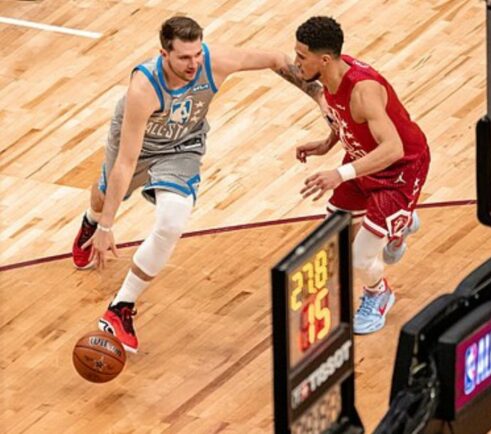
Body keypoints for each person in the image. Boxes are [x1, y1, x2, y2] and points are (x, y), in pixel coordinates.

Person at [71, 16, 323, 352]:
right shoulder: (143, 89)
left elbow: (277, 59)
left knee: (172, 221)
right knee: (105, 195)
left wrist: (318, 97)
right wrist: (105, 225)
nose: (193, 64)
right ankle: (89, 219)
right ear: (164, 54)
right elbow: (125, 163)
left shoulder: (214, 61)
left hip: (182, 147)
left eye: (196, 55)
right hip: (140, 145)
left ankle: (120, 307)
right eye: (184, 58)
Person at [293, 16, 430, 335]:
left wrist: (339, 173)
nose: (296, 62)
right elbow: (342, 118)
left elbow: (393, 148)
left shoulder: (363, 91)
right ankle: (401, 223)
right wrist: (327, 144)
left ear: (323, 59)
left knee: (359, 258)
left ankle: (379, 294)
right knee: (336, 242)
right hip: (363, 160)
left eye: (301, 56)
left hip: (399, 170)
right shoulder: (330, 77)